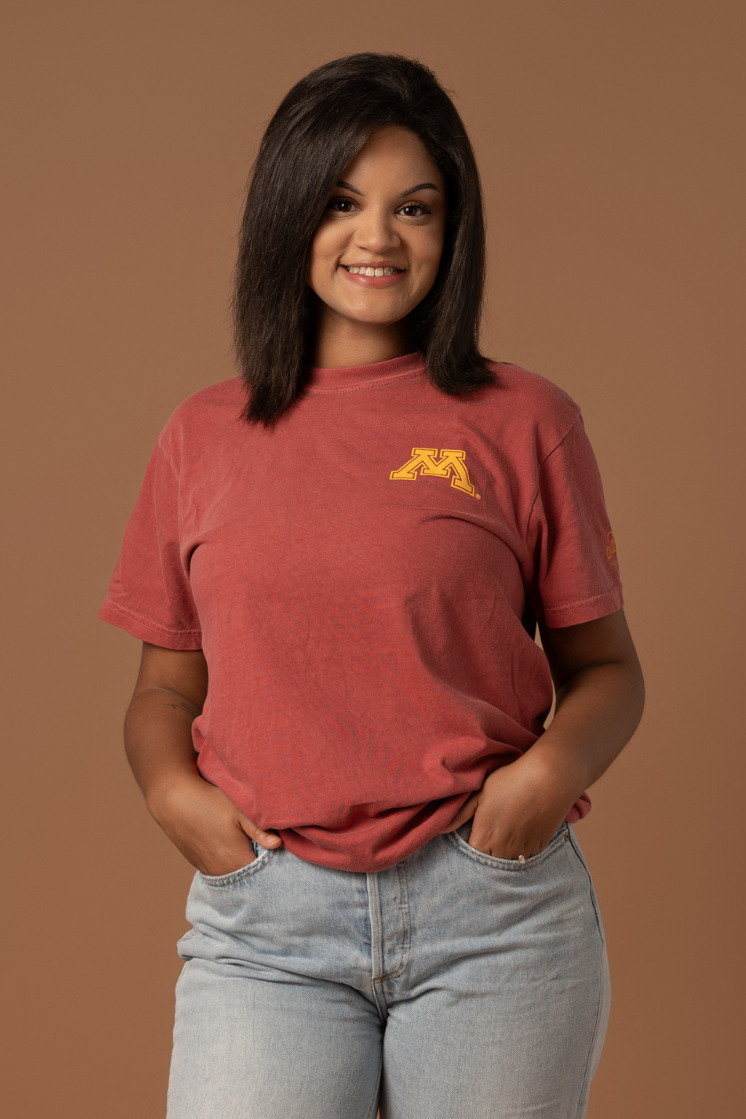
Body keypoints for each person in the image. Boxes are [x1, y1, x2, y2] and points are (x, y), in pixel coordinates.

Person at [99, 52, 644, 1119]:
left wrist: (545, 779)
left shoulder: (524, 422)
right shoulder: (201, 436)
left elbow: (608, 670)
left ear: (453, 230)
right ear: (288, 212)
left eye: (416, 208)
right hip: (269, 923)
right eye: (342, 202)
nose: (378, 239)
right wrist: (174, 797)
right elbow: (163, 689)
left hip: (491, 912)